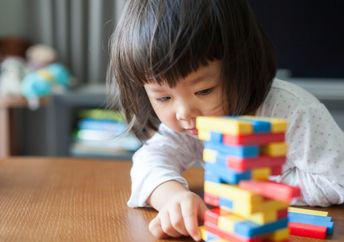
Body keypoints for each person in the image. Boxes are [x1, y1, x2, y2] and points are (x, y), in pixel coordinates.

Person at [107, 0, 344, 240]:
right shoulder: (190, 124)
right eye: (163, 97)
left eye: (204, 91)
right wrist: (172, 197)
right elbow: (150, 160)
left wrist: (256, 190)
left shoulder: (292, 111)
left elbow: (339, 181)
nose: (184, 113)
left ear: (241, 65)